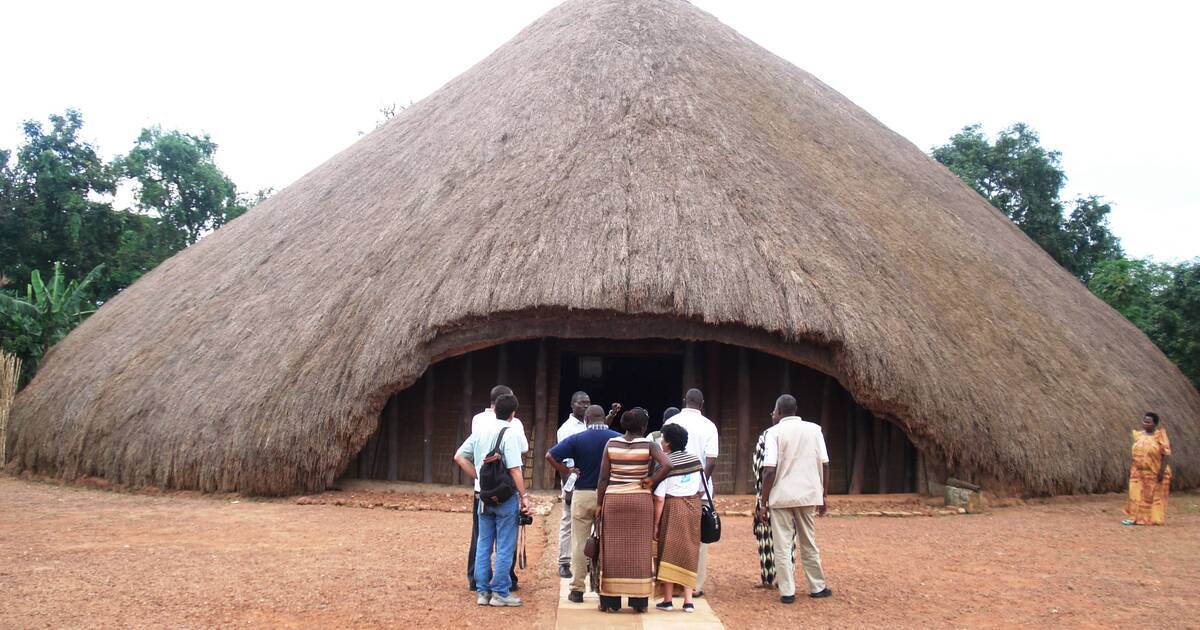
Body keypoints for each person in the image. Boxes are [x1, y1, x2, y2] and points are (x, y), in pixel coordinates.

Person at [453, 393, 531, 607]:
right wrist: (524, 496)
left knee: (483, 543)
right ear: (513, 414)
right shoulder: (511, 432)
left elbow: (459, 457)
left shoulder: (480, 431)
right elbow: (515, 469)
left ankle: (482, 592)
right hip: (505, 497)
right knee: (505, 545)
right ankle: (500, 592)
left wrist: (478, 475)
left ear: (494, 409)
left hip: (483, 496)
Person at [757, 394, 832, 604]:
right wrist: (824, 494)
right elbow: (825, 464)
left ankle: (787, 592)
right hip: (808, 494)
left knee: (782, 545)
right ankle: (817, 587)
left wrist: (763, 502)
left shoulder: (773, 433)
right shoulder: (814, 429)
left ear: (778, 411)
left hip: (781, 497)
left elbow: (769, 470)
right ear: (795, 410)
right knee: (809, 542)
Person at [596, 407, 672, 613]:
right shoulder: (649, 444)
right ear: (644, 427)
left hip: (614, 500)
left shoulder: (611, 444)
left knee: (612, 550)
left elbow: (603, 478)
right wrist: (651, 480)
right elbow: (667, 464)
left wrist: (599, 504)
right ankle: (638, 602)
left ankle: (610, 601)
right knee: (640, 551)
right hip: (640, 501)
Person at [545, 404, 620, 602]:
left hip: (583, 495)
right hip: (609, 497)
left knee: (579, 542)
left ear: (586, 420)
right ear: (603, 419)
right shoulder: (617, 439)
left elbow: (550, 455)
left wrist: (567, 470)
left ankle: (577, 589)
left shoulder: (577, 438)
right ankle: (606, 588)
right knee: (608, 542)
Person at [663, 388, 718, 595]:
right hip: (701, 492)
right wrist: (701, 486)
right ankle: (694, 586)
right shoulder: (709, 426)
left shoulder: (670, 423)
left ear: (684, 400)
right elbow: (711, 460)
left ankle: (673, 585)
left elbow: (664, 457)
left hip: (672, 489)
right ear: (702, 404)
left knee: (672, 536)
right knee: (699, 538)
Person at [652, 422, 704, 613]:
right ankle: (688, 601)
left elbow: (659, 498)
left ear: (668, 442)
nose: (661, 442)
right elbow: (701, 489)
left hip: (672, 508)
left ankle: (667, 600)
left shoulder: (666, 464)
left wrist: (655, 524)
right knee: (690, 552)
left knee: (668, 552)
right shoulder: (696, 461)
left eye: (663, 438)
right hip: (693, 508)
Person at [555, 391, 591, 578]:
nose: (584, 406)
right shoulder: (566, 429)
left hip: (588, 481)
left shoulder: (589, 425)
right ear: (572, 405)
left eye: (587, 403)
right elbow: (562, 461)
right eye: (581, 403)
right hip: (572, 481)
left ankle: (586, 561)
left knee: (587, 522)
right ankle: (563, 562)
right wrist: (567, 489)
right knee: (568, 521)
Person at [1123, 412, 1172, 526]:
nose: (1145, 424)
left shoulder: (1159, 436)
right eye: (1144, 421)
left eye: (1148, 422)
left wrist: (1161, 471)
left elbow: (1166, 454)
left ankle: (1147, 518)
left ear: (1155, 424)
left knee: (1150, 496)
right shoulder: (1139, 435)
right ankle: (1133, 518)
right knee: (1134, 494)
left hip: (1154, 471)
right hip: (1137, 471)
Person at [752, 425, 781, 588]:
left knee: (765, 537)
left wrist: (762, 501)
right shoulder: (790, 436)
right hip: (787, 494)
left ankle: (769, 578)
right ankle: (784, 578)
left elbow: (762, 470)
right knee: (787, 539)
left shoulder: (766, 437)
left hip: (766, 495)